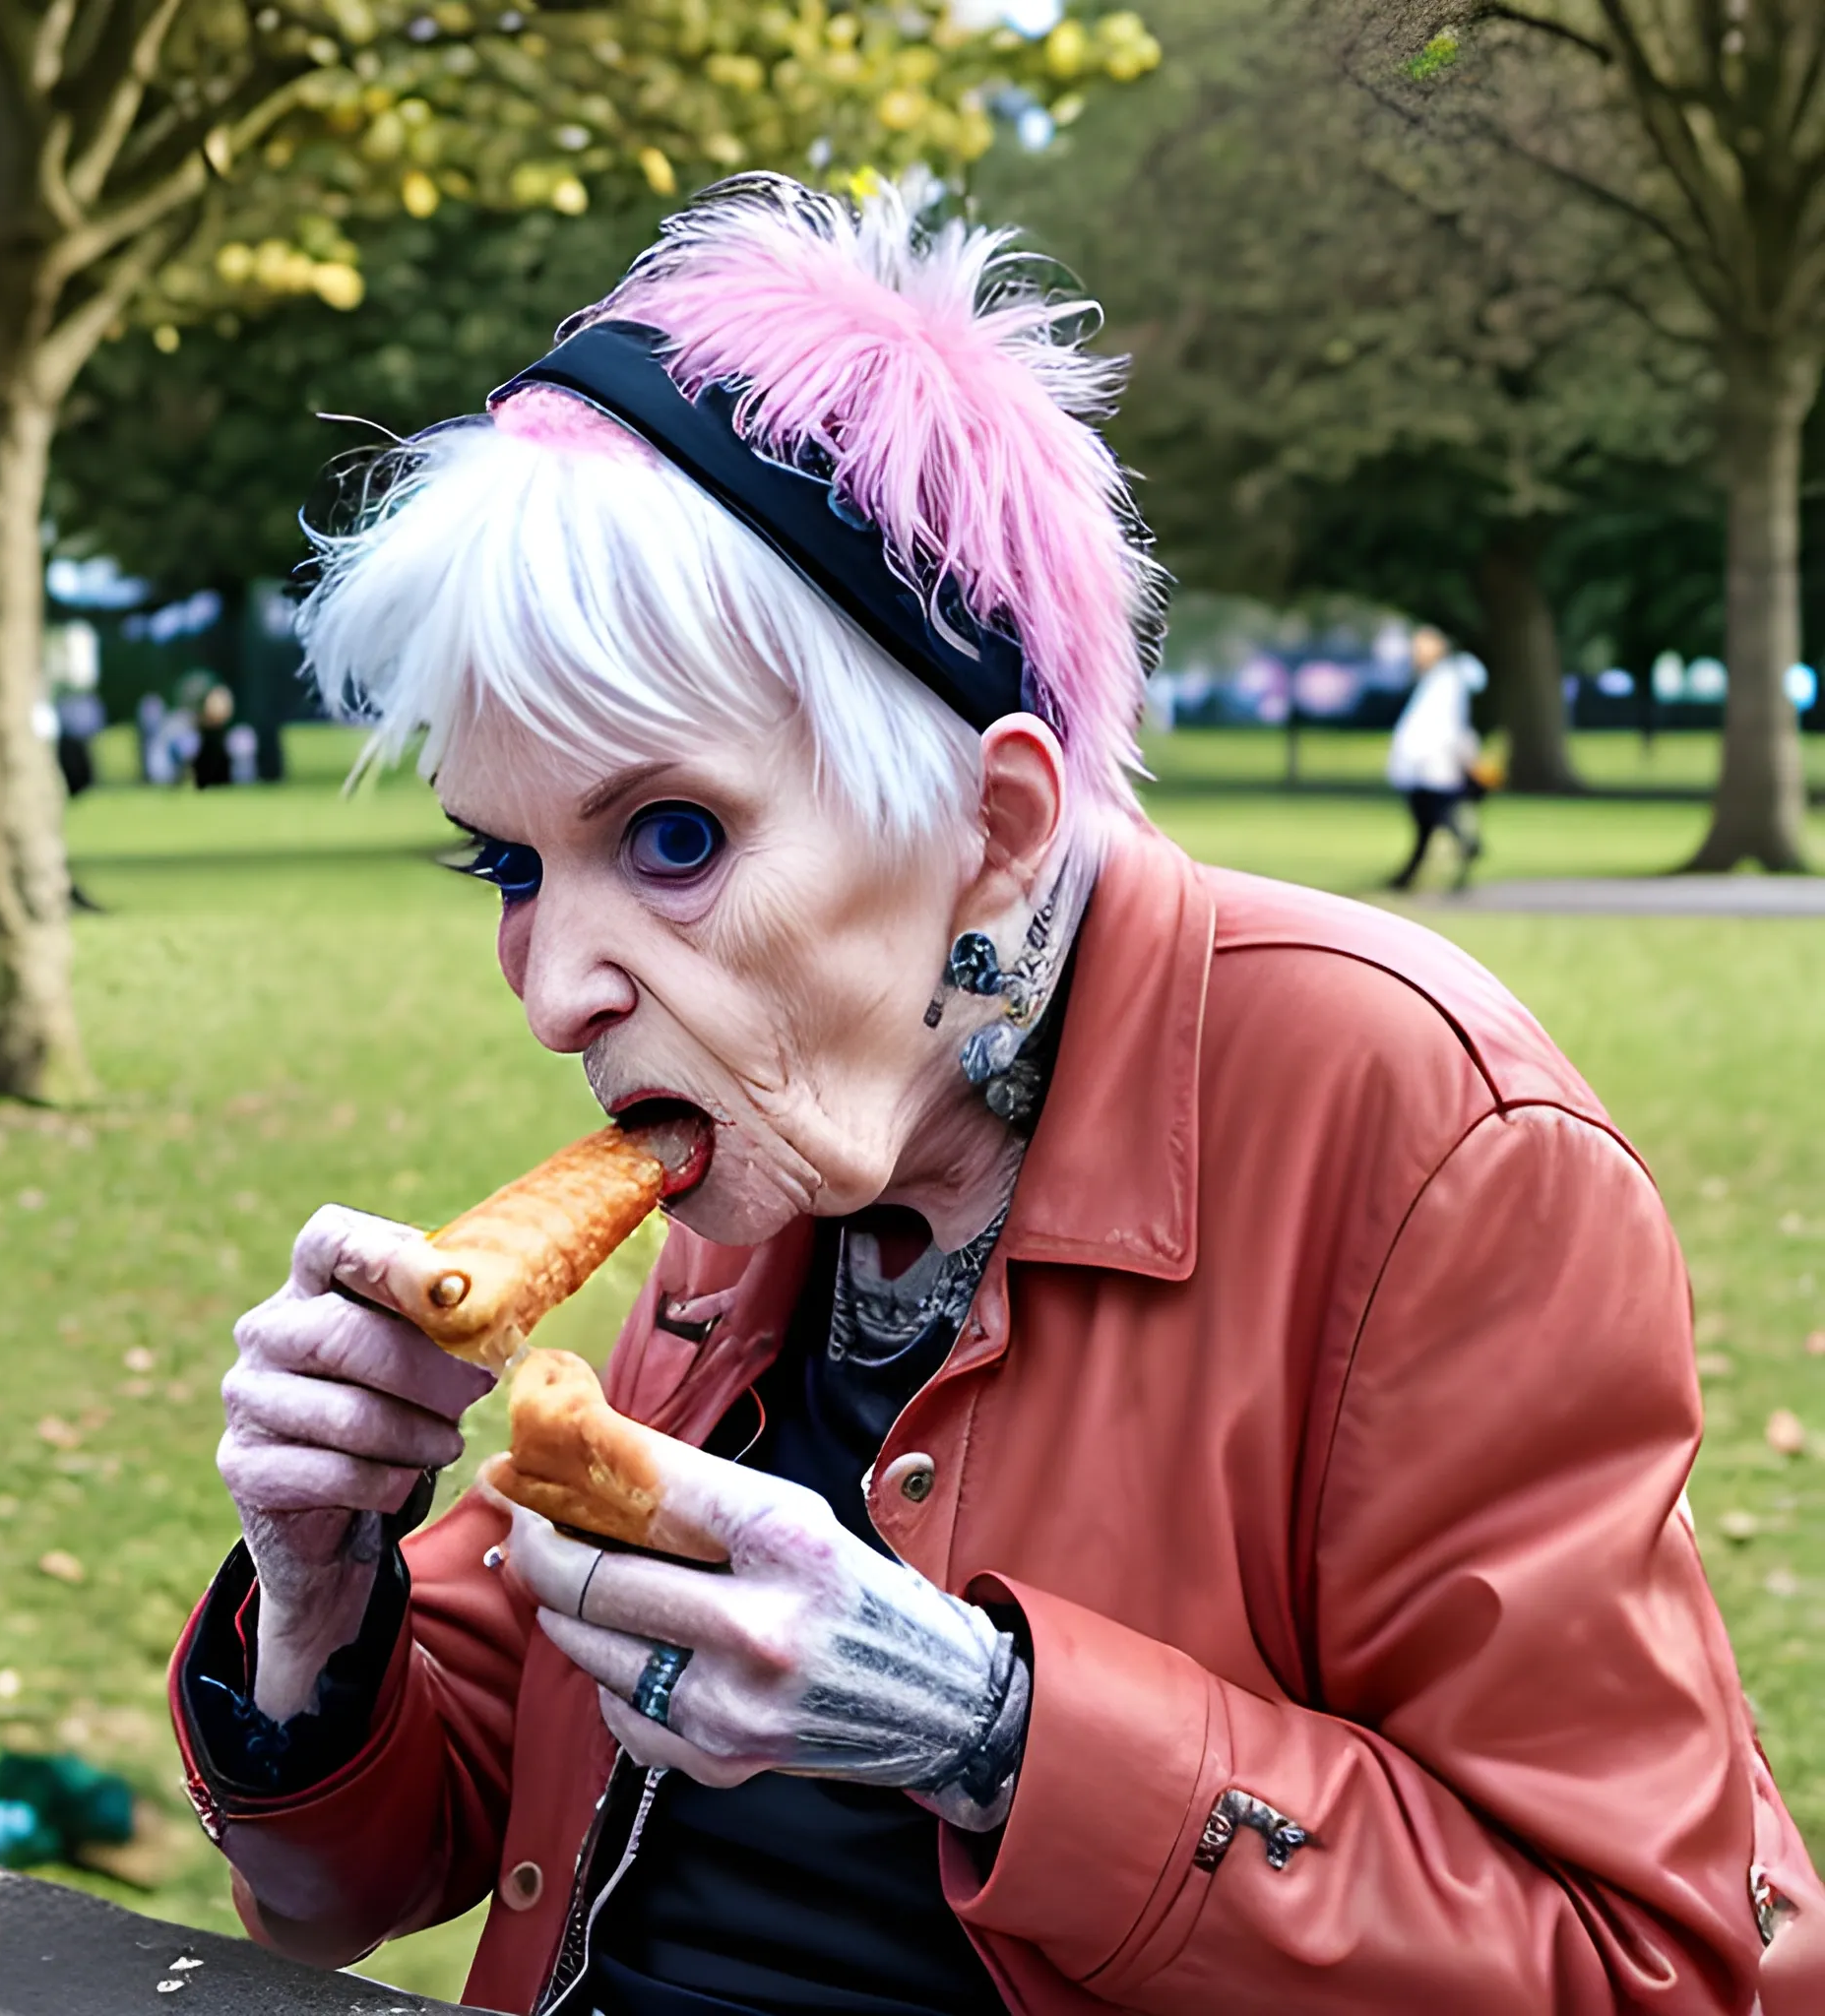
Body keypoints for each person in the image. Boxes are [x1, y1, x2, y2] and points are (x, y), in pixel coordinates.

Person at [167, 176, 1822, 2014]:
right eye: (511, 866)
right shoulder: (782, 1148)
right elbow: (363, 1876)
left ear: (993, 827)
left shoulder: (1429, 1138)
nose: (557, 989)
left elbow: (1656, 1966)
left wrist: (987, 1730)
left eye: (673, 835)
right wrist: (319, 1600)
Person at [1384, 624, 1482, 891]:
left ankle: (1464, 845)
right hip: (1425, 764)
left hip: (1430, 764)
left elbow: (1442, 724)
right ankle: (1409, 875)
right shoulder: (1435, 680)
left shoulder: (1445, 681)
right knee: (1429, 822)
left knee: (1432, 817)